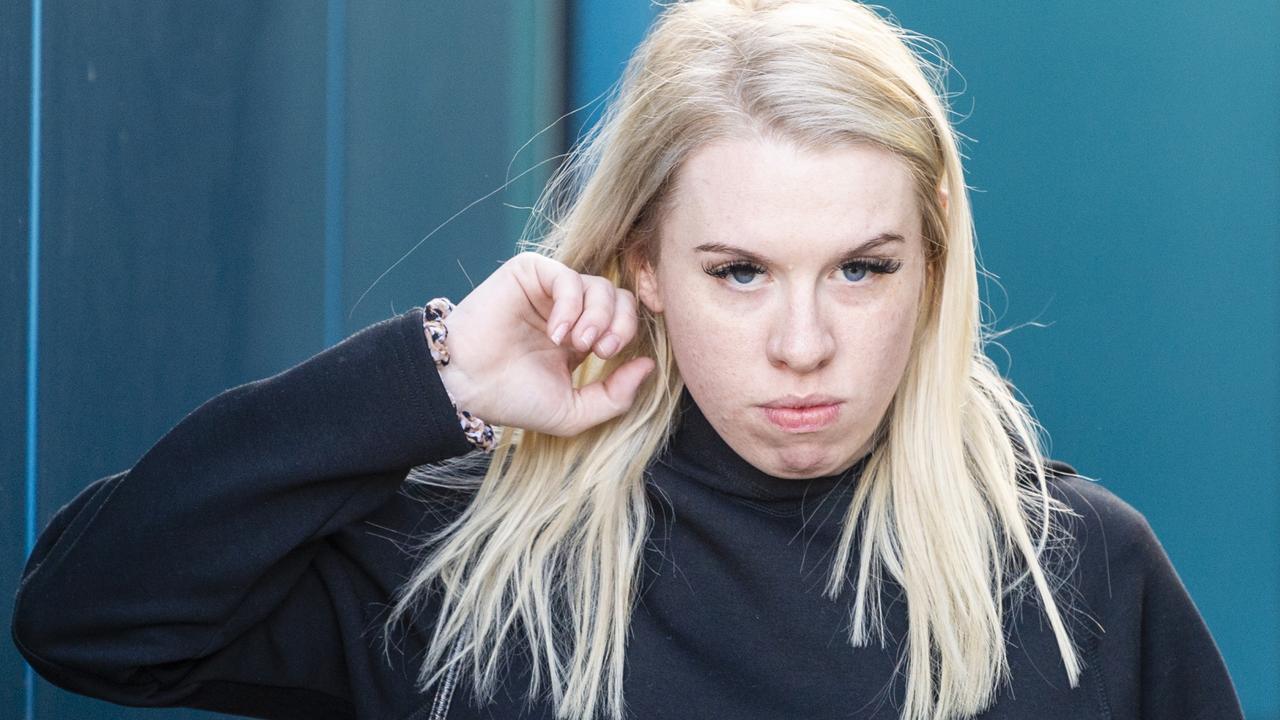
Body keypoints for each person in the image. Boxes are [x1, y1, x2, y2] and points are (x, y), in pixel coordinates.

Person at [11, 1, 1244, 719]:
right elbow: (89, 618)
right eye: (738, 271)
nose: (803, 345)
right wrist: (431, 378)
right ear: (642, 266)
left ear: (930, 267)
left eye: (861, 269)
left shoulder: (1073, 574)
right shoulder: (481, 566)